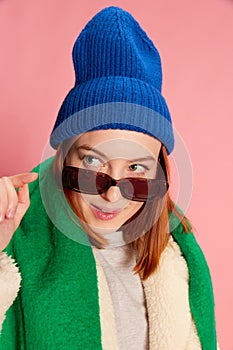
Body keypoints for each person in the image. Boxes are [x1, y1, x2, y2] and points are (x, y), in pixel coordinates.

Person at [0, 6, 219, 350]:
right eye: (91, 161)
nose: (112, 196)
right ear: (63, 157)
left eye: (136, 169)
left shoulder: (179, 250)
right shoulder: (16, 237)